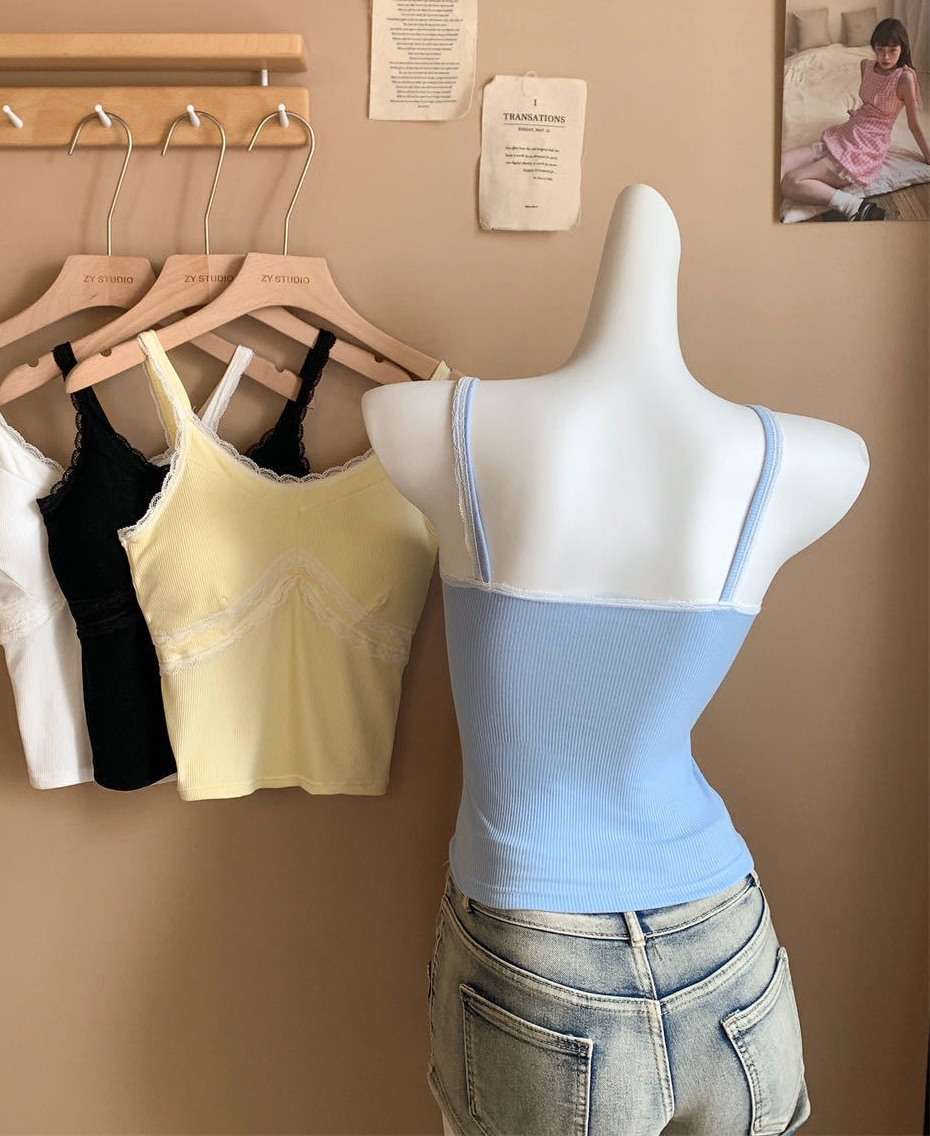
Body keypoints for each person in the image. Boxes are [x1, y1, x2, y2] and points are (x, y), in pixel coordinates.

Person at [362, 184, 868, 1135]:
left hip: (541, 963)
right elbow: (856, 457)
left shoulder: (452, 429)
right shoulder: (787, 462)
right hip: (727, 952)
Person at [781, 17, 929, 221]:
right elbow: (870, 101)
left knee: (791, 182)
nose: (885, 56)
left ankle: (855, 206)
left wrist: (928, 155)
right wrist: (859, 114)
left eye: (892, 50)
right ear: (874, 47)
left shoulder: (905, 78)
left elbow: (913, 124)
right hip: (846, 132)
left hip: (865, 147)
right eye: (880, 49)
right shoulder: (866, 66)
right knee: (780, 164)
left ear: (902, 49)